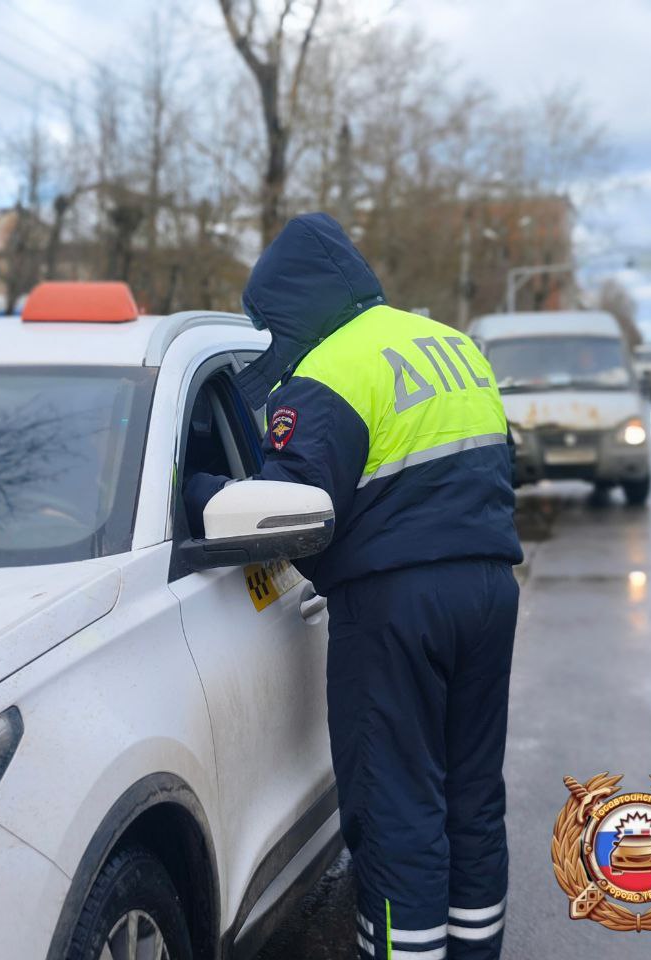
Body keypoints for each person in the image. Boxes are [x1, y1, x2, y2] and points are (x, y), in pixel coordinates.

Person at [184, 213, 522, 960]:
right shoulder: (452, 346)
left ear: (293, 302)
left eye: (271, 319)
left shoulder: (330, 370)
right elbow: (503, 467)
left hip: (395, 607)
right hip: (491, 589)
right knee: (471, 794)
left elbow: (299, 501)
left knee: (396, 802)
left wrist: (202, 487)